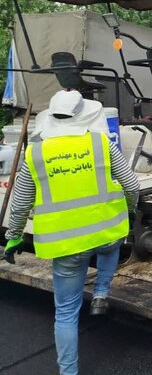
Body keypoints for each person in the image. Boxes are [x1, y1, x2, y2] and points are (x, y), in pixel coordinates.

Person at [2, 90, 140, 375]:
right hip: (107, 232)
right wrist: (129, 209)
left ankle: (68, 372)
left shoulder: (36, 153)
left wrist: (14, 235)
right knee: (111, 244)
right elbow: (132, 185)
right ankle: (101, 290)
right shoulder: (102, 144)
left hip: (68, 247)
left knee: (66, 314)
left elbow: (19, 205)